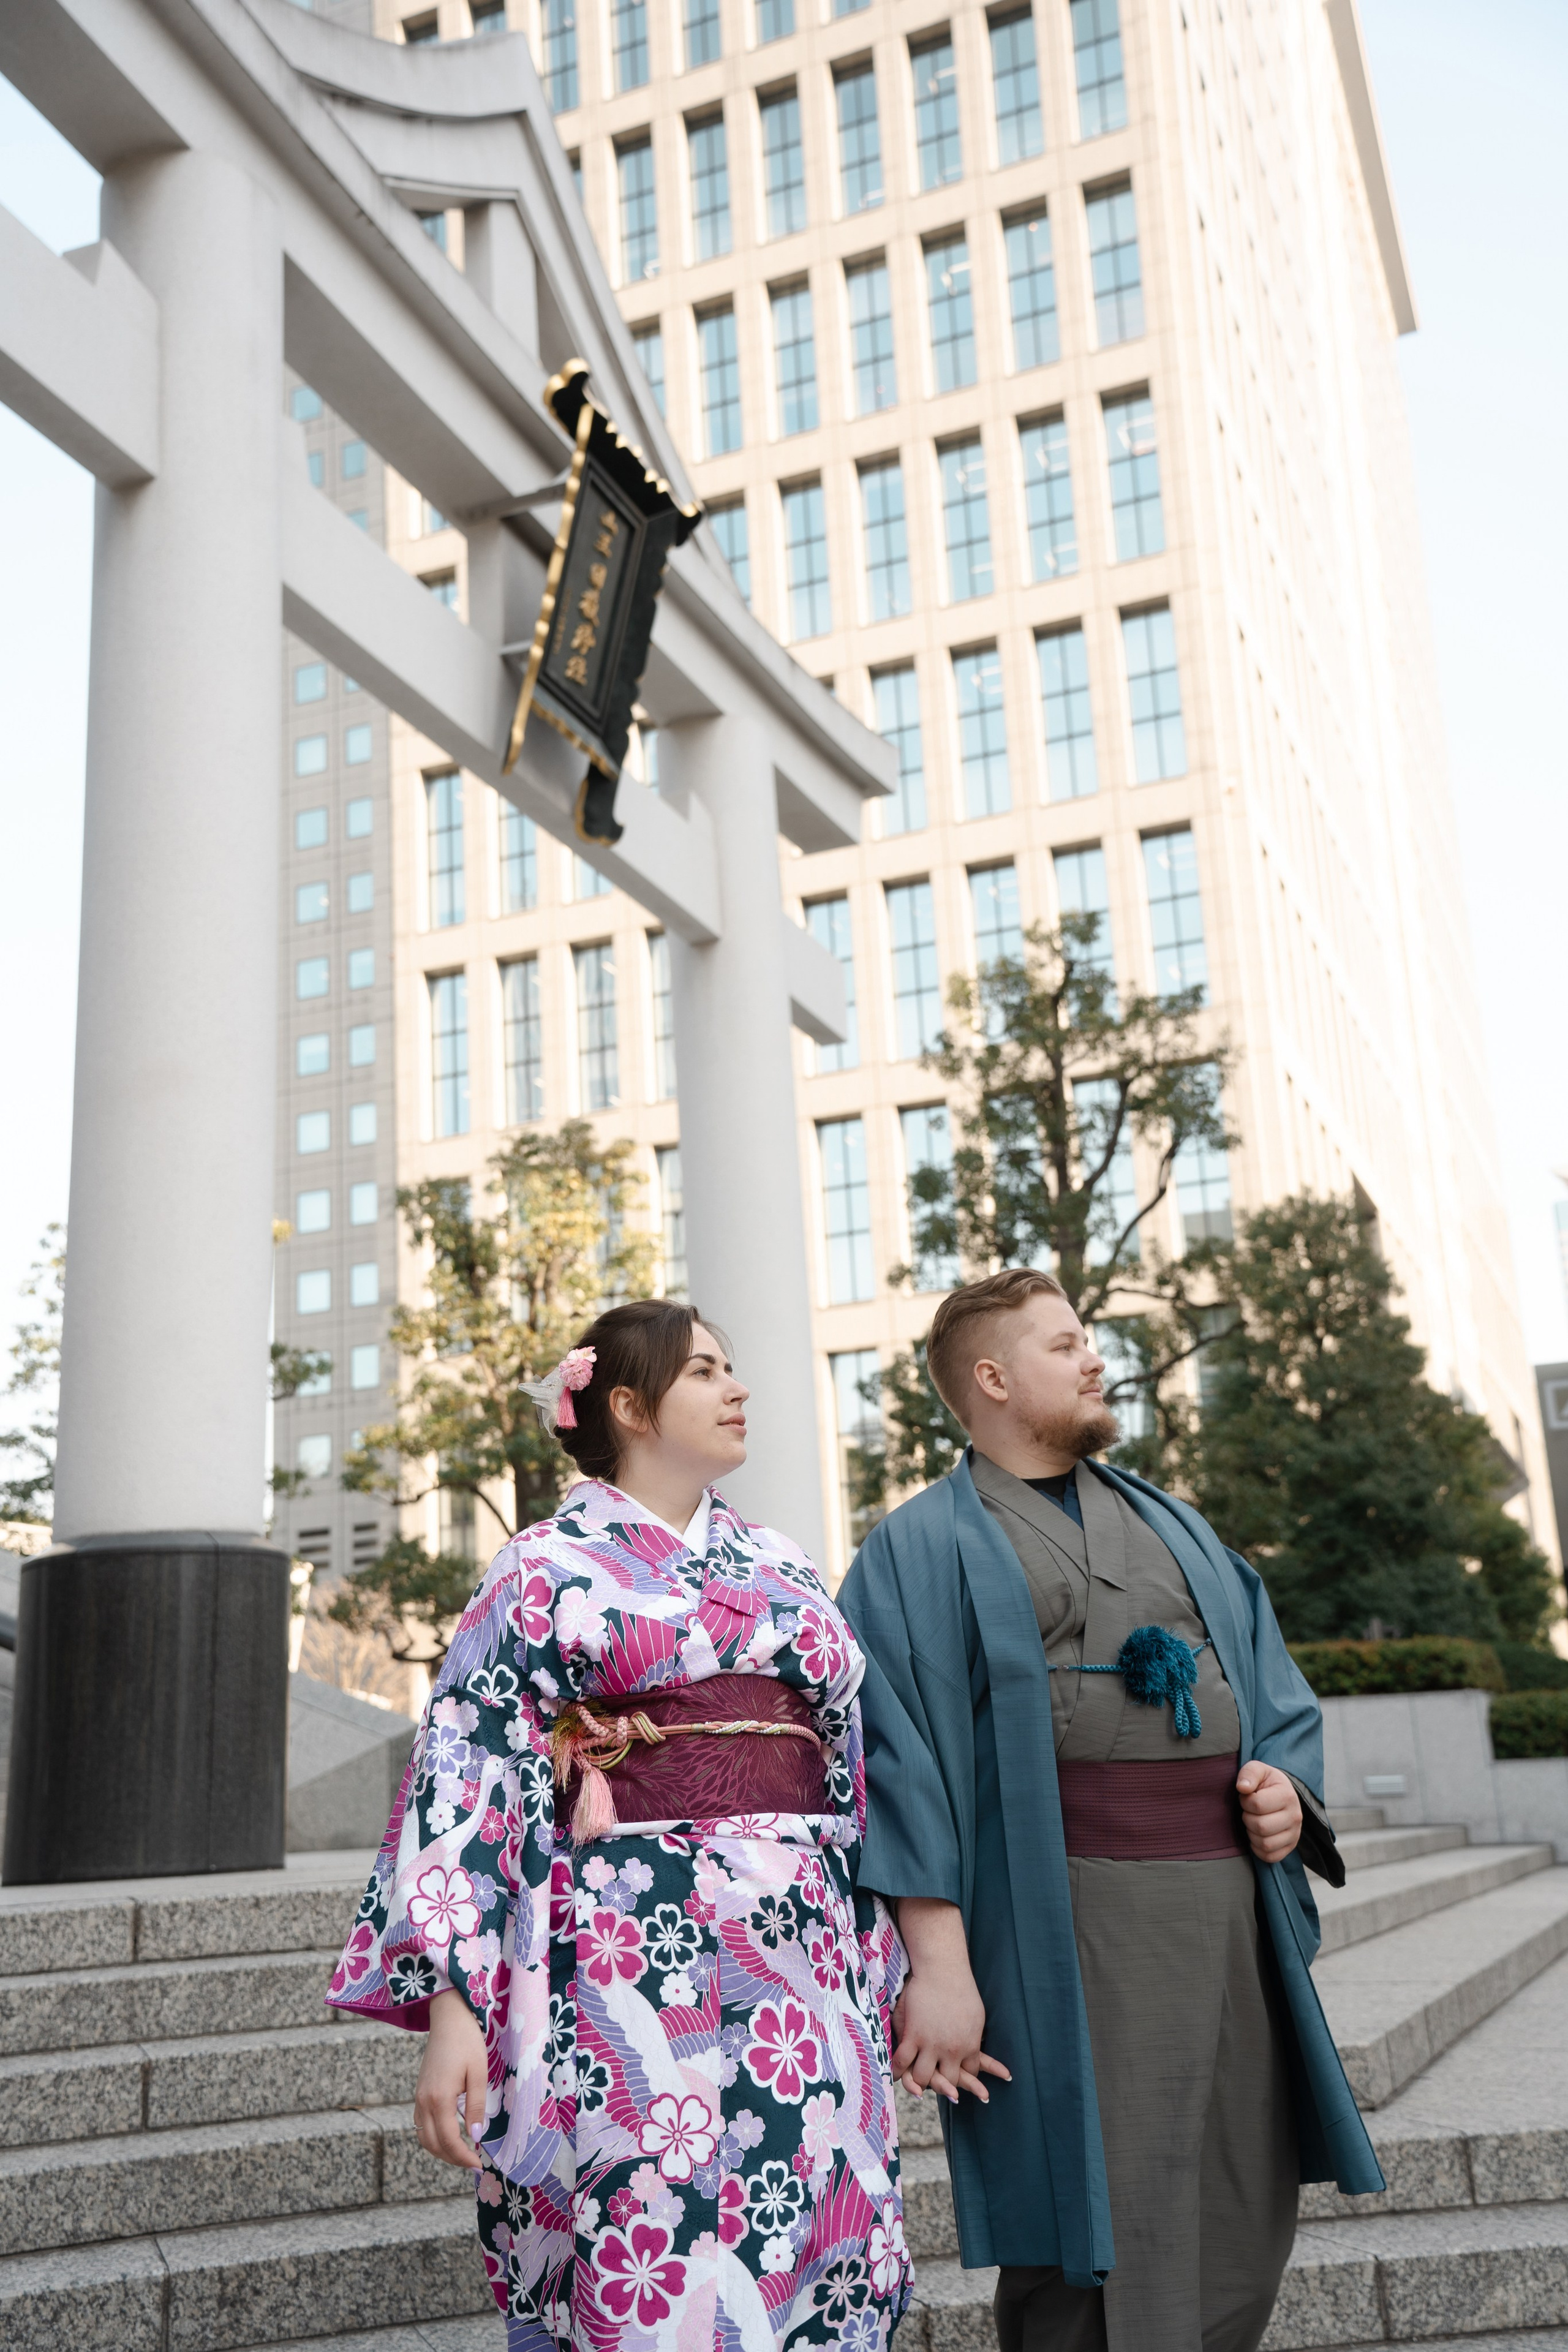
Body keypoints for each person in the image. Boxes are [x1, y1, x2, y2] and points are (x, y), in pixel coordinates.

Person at [328, 1298, 911, 2352]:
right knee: (641, 2222)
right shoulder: (542, 1567)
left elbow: (850, 1764)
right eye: (705, 1373)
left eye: (734, 1368)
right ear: (632, 1406)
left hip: (803, 1954)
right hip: (623, 1954)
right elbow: (468, 1775)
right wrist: (461, 2006)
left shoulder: (778, 1562)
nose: (737, 1388)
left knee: (816, 2208)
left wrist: (892, 1955)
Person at [836, 1268, 1384, 2352]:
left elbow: (1269, 1689)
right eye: (1066, 1343)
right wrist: (936, 1965)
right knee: (1084, 2219)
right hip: (1059, 1919)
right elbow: (890, 1765)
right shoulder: (917, 1547)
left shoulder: (1175, 1521)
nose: (1096, 1358)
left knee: (1240, 2186)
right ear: (992, 1379)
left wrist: (1283, 1793)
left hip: (1223, 1906)